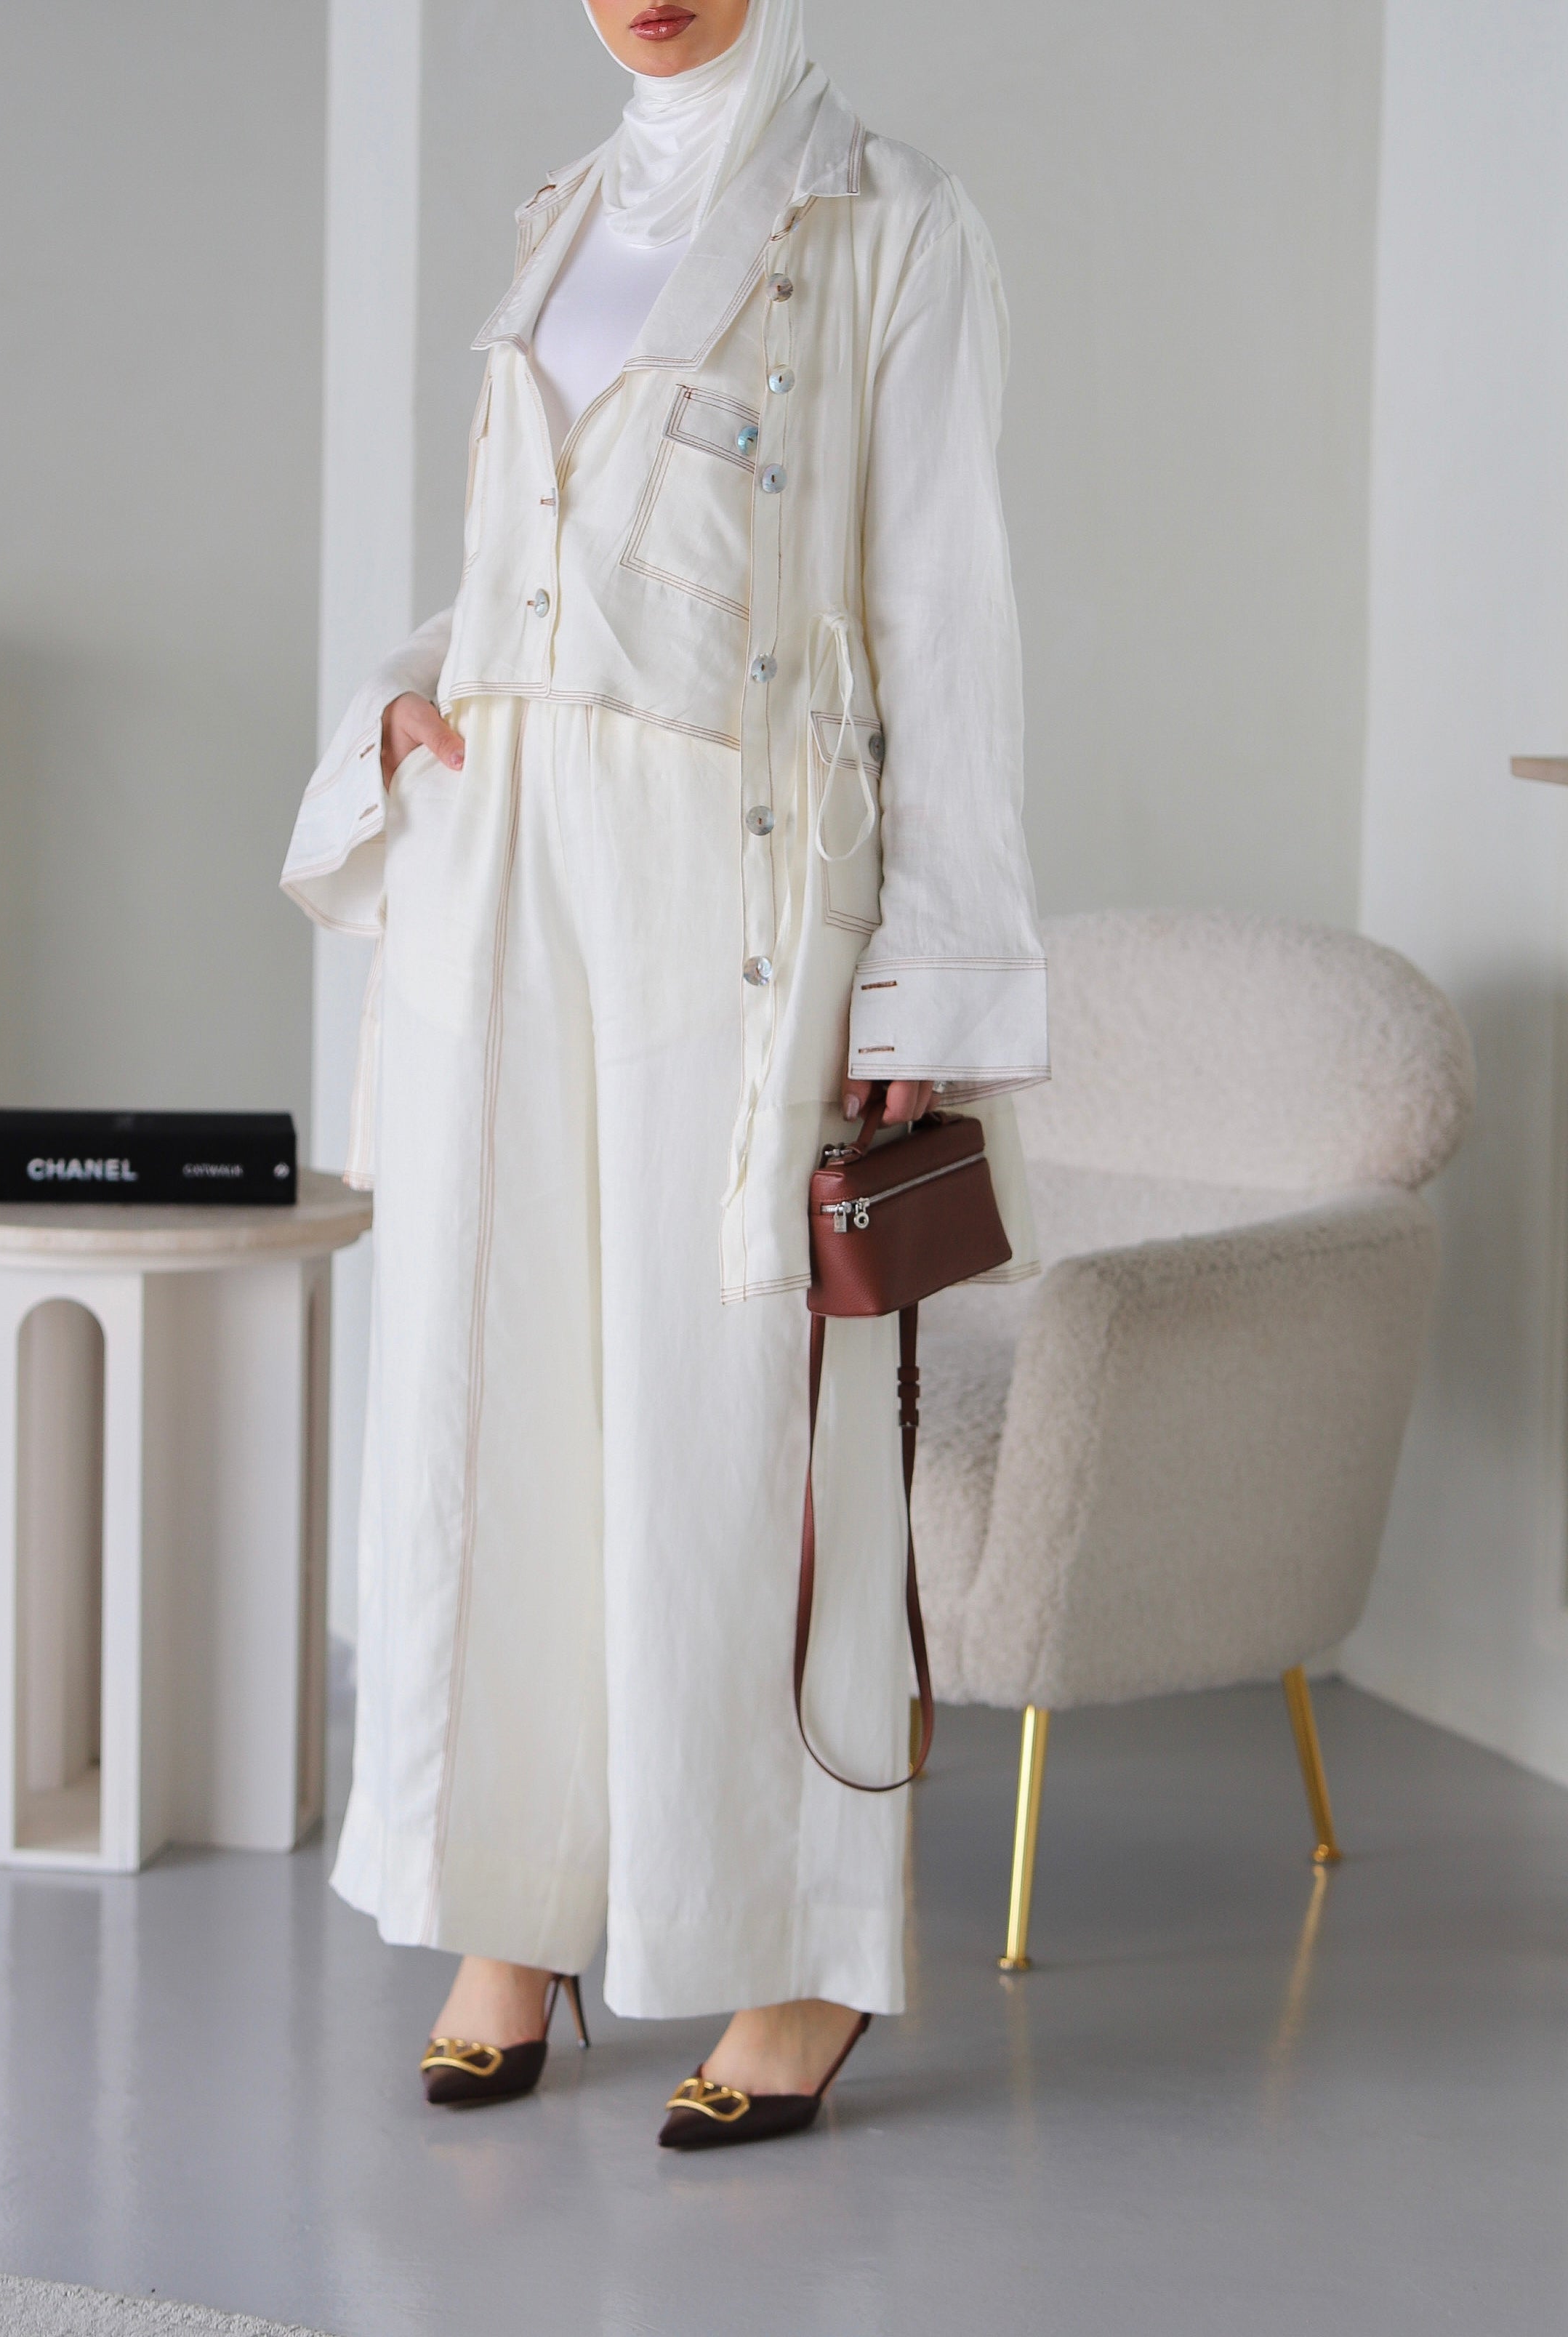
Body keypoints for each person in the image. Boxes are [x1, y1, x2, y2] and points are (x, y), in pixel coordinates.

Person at [281, 0, 1045, 2151]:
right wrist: (407, 707)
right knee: (494, 1380)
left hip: (741, 888)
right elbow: (512, 573)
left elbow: (945, 613)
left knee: (733, 1418)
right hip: (503, 874)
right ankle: (511, 1902)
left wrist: (922, 995)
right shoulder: (556, 217)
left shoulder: (893, 221)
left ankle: (797, 1947)